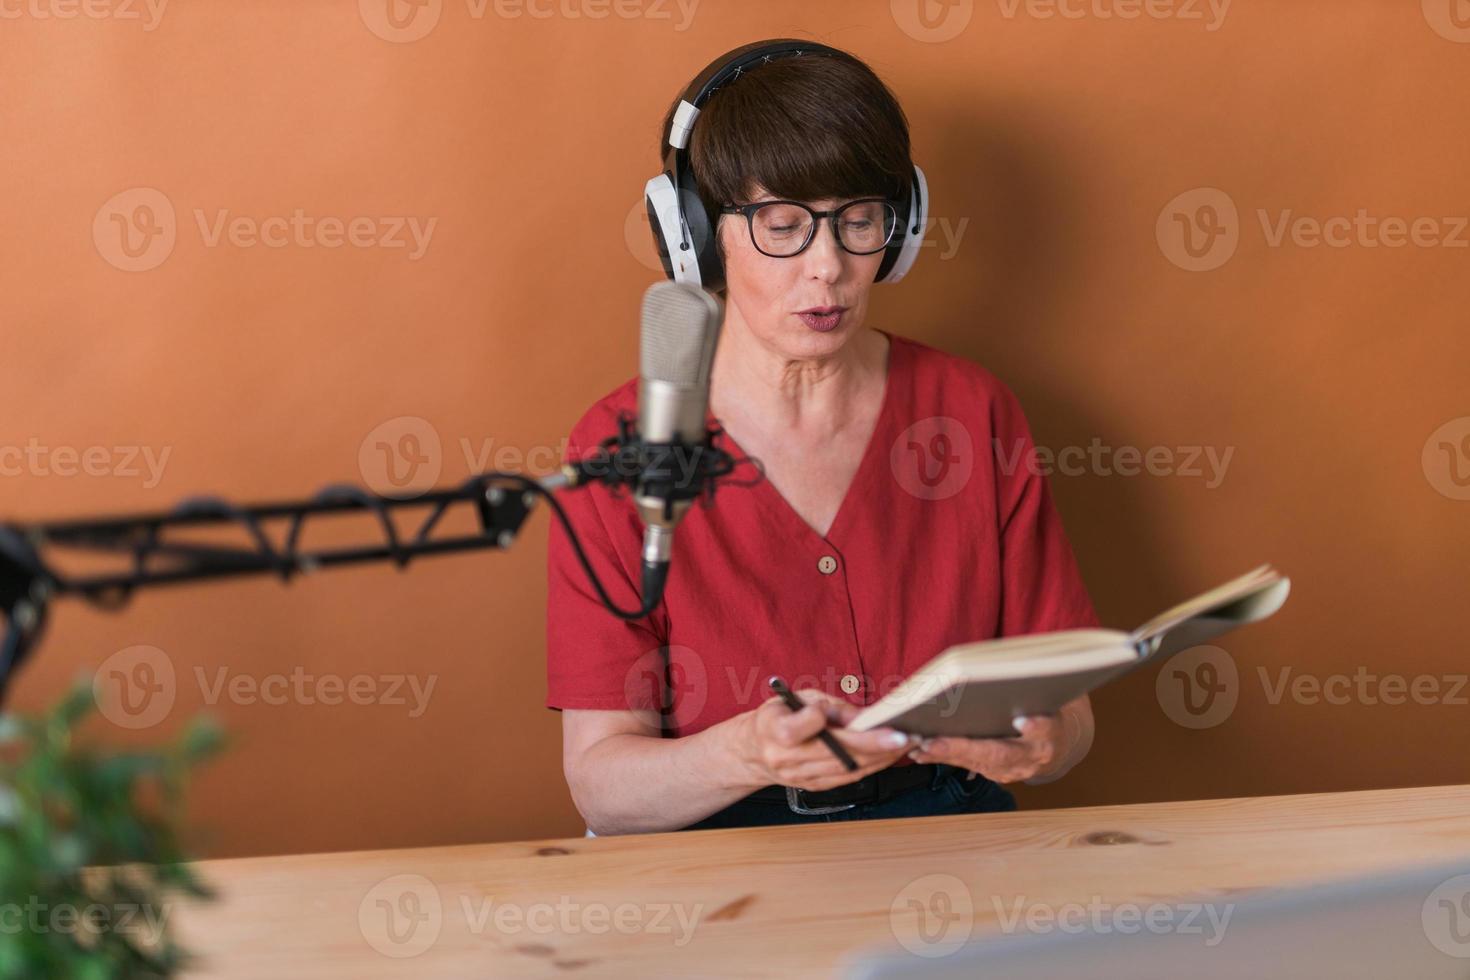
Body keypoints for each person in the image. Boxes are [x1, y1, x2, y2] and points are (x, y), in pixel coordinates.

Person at [545, 39, 1098, 836]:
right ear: (697, 236)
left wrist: (1042, 747)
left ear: (898, 228)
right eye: (782, 225)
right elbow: (603, 789)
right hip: (723, 846)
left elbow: (1071, 719)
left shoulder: (973, 410)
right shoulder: (621, 447)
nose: (828, 267)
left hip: (953, 832)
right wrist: (748, 753)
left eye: (859, 221)